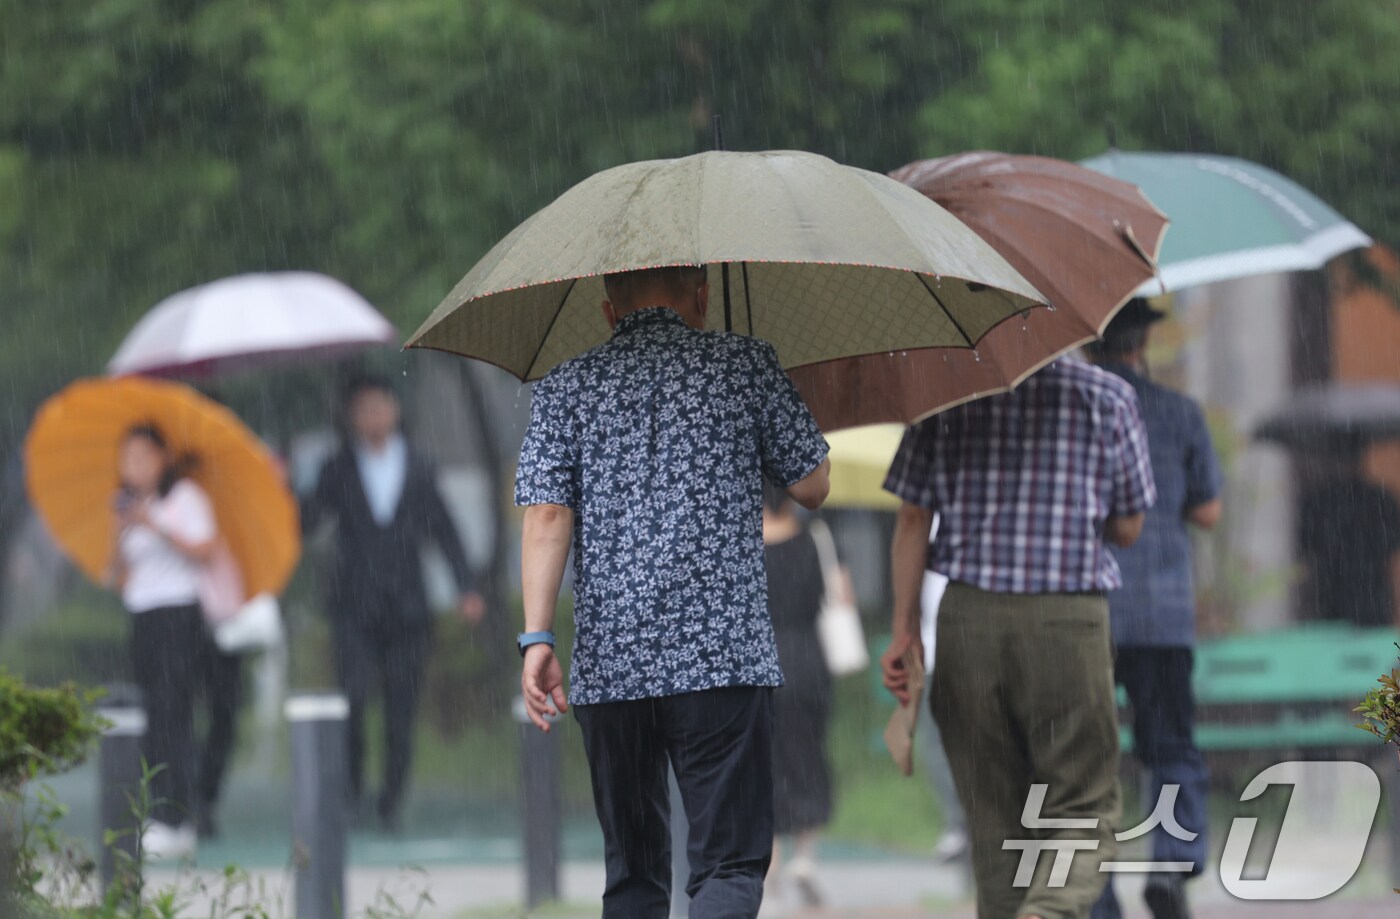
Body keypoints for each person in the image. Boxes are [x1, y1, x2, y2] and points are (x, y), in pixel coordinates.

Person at [515, 265, 831, 919]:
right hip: (723, 660)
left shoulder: (567, 384)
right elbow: (813, 484)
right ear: (702, 296)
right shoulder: (743, 363)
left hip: (613, 665)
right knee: (728, 864)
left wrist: (538, 637)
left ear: (608, 311)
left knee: (632, 875)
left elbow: (547, 514)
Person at [882, 356, 1156, 919]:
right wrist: (1074, 513)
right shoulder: (1108, 396)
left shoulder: (945, 395)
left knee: (994, 818)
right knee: (1083, 802)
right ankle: (1050, 910)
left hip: (968, 620)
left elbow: (913, 518)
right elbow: (1129, 527)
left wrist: (904, 630)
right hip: (1066, 621)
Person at [302, 374, 485, 831]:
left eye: (377, 407)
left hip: (407, 607)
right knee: (353, 700)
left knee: (402, 709)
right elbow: (306, 521)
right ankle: (351, 793)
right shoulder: (338, 466)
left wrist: (466, 585)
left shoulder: (420, 465)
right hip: (353, 607)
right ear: (351, 417)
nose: (371, 417)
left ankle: (391, 801)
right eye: (361, 410)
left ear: (394, 410)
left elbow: (443, 527)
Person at [1088, 299, 1223, 919]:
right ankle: (1170, 864)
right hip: (1163, 613)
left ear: (1091, 343)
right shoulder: (1180, 411)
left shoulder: (1077, 409)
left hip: (1092, 610)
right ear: (1143, 343)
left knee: (1087, 756)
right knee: (1169, 744)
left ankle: (1096, 891)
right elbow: (1208, 511)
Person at [107, 423, 225, 859]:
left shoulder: (184, 499)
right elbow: (115, 571)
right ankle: (159, 811)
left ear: (162, 459)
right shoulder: (125, 506)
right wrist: (121, 527)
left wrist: (153, 525)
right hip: (143, 614)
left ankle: (179, 815)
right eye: (127, 458)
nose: (133, 467)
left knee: (175, 709)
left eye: (142, 457)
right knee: (152, 711)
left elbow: (205, 551)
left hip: (179, 613)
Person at [762, 484, 839, 909]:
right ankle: (805, 858)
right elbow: (839, 594)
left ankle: (770, 862)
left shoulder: (741, 545)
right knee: (807, 755)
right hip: (808, 661)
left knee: (762, 759)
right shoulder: (814, 539)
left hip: (759, 666)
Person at [1295, 445, 1400, 628]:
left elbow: (1305, 544)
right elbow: (1393, 542)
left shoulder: (1318, 498)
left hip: (1330, 589)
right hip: (1370, 587)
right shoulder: (1380, 497)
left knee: (1330, 644)